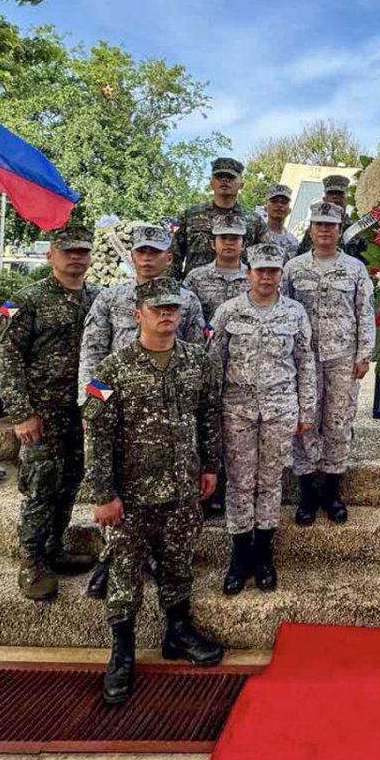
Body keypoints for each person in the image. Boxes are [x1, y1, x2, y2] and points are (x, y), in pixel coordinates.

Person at [83, 277, 224, 705]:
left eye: (173, 309)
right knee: (125, 573)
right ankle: (121, 651)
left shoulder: (198, 361)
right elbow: (95, 431)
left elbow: (208, 415)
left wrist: (211, 467)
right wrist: (102, 493)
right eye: (158, 308)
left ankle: (178, 632)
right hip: (132, 494)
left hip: (182, 488)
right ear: (138, 313)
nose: (167, 315)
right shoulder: (109, 370)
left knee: (178, 562)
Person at [79, 224, 206, 599]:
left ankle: (148, 562)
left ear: (169, 256)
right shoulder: (110, 297)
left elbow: (198, 354)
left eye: (156, 252)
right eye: (141, 252)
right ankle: (111, 560)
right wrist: (89, 405)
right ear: (132, 256)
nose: (148, 258)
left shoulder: (187, 300)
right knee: (121, 497)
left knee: (165, 504)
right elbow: (92, 349)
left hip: (169, 417)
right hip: (121, 414)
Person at [0, 222, 98, 601]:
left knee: (69, 482)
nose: (76, 258)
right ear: (50, 254)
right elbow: (6, 358)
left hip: (82, 413)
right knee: (40, 488)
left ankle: (56, 548)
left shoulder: (97, 299)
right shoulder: (27, 301)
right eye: (68, 251)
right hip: (41, 415)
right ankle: (33, 562)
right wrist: (21, 413)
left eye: (82, 251)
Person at [210, 243, 315, 594]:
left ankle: (264, 554)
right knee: (239, 482)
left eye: (273, 270)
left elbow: (305, 362)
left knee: (270, 481)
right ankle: (239, 558)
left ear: (281, 275)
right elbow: (214, 366)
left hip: (279, 410)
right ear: (248, 273)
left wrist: (306, 410)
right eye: (261, 270)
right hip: (236, 411)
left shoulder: (295, 313)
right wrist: (211, 414)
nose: (267, 276)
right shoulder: (228, 312)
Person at [282, 201, 375, 525]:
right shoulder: (293, 269)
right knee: (304, 423)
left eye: (330, 225)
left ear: (339, 230)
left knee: (337, 423)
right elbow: (283, 311)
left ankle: (332, 491)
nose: (324, 230)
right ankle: (308, 492)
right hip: (304, 360)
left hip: (342, 359)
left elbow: (365, 312)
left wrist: (364, 354)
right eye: (319, 224)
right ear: (311, 229)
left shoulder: (354, 269)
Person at [174, 157, 266, 277]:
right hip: (194, 289)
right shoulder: (191, 215)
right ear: (211, 182)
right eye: (219, 176)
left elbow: (264, 258)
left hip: (240, 288)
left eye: (231, 177)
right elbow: (173, 255)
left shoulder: (254, 220)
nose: (224, 180)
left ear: (241, 184)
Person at [183, 213, 252, 322]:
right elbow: (185, 315)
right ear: (213, 244)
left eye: (235, 238)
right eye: (223, 238)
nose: (229, 243)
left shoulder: (254, 278)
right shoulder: (196, 277)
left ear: (243, 245)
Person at [296, 174, 364, 260]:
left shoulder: (356, 229)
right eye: (331, 193)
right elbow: (301, 257)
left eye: (340, 193)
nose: (335, 197)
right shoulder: (314, 228)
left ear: (346, 199)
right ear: (324, 199)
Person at [263, 183, 300, 262]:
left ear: (289, 210)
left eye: (284, 202)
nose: (279, 205)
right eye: (274, 201)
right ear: (265, 207)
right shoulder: (256, 235)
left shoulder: (293, 241)